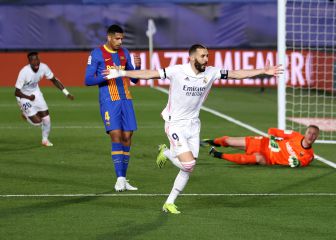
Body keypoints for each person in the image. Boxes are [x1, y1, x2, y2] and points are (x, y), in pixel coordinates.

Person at [103, 43, 283, 214]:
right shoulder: (177, 71)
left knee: (188, 167)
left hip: (193, 125)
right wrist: (122, 72)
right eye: (203, 56)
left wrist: (263, 71)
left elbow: (236, 73)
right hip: (175, 124)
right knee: (188, 164)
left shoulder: (211, 72)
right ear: (191, 58)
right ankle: (167, 153)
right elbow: (150, 73)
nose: (206, 59)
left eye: (207, 56)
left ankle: (169, 202)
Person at [85, 24, 141, 192]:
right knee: (116, 135)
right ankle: (119, 178)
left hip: (126, 99)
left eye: (122, 38)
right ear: (109, 37)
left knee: (127, 136)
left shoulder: (124, 53)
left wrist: (137, 67)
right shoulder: (97, 53)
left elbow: (134, 79)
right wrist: (106, 77)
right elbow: (88, 80)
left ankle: (123, 178)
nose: (120, 41)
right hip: (109, 100)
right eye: (117, 38)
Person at [15, 52, 74, 147]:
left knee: (46, 119)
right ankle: (25, 114)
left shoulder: (43, 67)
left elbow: (54, 80)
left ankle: (45, 140)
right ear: (29, 62)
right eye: (33, 60)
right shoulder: (24, 72)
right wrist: (29, 97)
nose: (36, 62)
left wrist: (66, 93)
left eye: (37, 59)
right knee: (37, 123)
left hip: (36, 93)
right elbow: (16, 92)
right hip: (23, 96)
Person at [203, 125, 319, 167]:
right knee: (228, 141)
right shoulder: (295, 135)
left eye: (314, 135)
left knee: (257, 158)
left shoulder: (309, 155)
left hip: (268, 158)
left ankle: (217, 154)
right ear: (305, 133)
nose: (311, 136)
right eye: (309, 133)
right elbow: (272, 130)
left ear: (316, 137)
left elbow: (302, 162)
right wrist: (273, 140)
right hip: (262, 143)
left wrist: (297, 163)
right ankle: (209, 142)